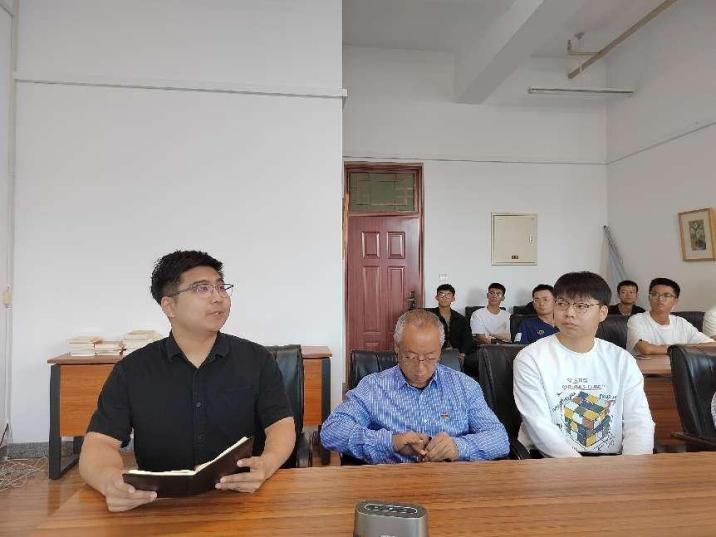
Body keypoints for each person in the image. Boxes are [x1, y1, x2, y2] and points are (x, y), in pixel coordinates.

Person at [79, 250, 296, 512]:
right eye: (202, 289)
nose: (218, 297)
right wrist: (110, 482)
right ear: (169, 306)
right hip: (160, 505)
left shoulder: (256, 359)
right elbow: (100, 443)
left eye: (221, 287)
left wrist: (267, 464)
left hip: (242, 498)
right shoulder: (132, 370)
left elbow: (281, 425)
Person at [320, 309, 509, 464]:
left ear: (441, 351)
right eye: (410, 356)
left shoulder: (464, 387)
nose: (420, 368)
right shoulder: (373, 387)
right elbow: (332, 431)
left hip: (451, 483)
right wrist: (390, 442)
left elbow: (499, 438)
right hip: (392, 484)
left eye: (430, 358)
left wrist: (458, 447)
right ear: (397, 347)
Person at [513, 271, 654, 457]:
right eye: (562, 304)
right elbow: (538, 426)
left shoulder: (622, 359)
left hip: (614, 463)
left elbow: (639, 421)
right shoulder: (531, 358)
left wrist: (633, 466)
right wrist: (582, 469)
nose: (569, 313)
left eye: (581, 306)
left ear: (602, 312)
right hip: (548, 461)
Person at [626, 278, 715, 356]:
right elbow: (645, 349)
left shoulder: (681, 323)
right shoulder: (637, 320)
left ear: (676, 301)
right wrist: (682, 349)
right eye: (655, 294)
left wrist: (670, 348)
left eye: (666, 295)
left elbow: (711, 345)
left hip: (677, 369)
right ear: (649, 298)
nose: (660, 299)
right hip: (645, 370)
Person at [425, 284, 475, 355]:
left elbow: (467, 339)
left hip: (455, 352)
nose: (445, 297)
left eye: (448, 295)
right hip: (433, 352)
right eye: (441, 294)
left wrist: (463, 353)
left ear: (453, 298)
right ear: (436, 297)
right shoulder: (429, 316)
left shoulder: (461, 319)